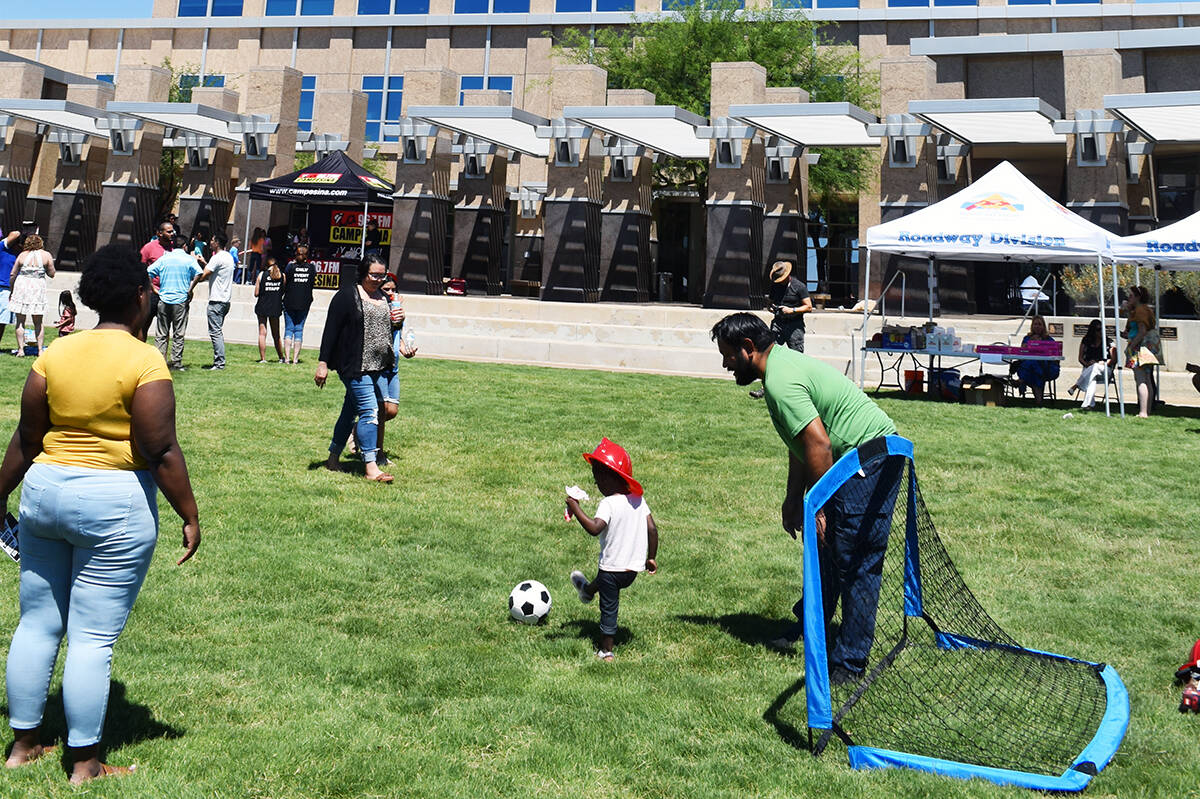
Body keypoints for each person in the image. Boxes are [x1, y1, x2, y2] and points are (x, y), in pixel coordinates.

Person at [0, 244, 200, 784]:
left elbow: (27, 437)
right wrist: (189, 512)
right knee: (92, 638)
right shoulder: (145, 360)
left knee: (38, 623)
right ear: (140, 295)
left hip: (44, 493)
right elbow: (159, 449)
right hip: (114, 503)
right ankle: (85, 764)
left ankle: (23, 747)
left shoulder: (55, 354)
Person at [711, 312, 899, 684]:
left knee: (856, 560)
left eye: (729, 354)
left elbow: (819, 444)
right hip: (853, 458)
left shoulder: (780, 381)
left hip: (871, 458)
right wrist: (794, 498)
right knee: (826, 549)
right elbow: (803, 444)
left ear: (749, 349)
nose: (725, 363)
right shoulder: (778, 369)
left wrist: (820, 507)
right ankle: (809, 626)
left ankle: (851, 662)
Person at [566, 438, 658, 663]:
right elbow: (652, 529)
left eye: (598, 480)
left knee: (608, 605)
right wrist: (652, 558)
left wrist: (575, 507)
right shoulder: (638, 500)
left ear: (610, 477)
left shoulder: (608, 504)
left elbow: (595, 529)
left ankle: (606, 651)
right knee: (606, 580)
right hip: (632, 570)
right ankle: (587, 590)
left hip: (611, 570)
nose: (597, 485)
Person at [314, 258, 402, 483]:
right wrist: (323, 363)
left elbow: (385, 328)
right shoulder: (346, 296)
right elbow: (330, 330)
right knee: (370, 411)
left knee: (348, 412)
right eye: (374, 275)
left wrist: (398, 322)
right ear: (363, 272)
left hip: (377, 366)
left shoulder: (384, 297)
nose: (378, 280)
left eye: (382, 276)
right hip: (354, 365)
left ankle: (333, 459)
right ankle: (371, 467)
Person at [749, 261, 812, 399]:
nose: (780, 282)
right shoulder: (775, 286)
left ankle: (798, 390)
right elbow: (770, 302)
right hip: (778, 324)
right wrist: (772, 307)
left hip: (794, 326)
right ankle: (765, 388)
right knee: (769, 355)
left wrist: (792, 310)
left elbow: (808, 306)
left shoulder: (799, 287)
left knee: (796, 358)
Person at [376, 271, 417, 465]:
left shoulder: (398, 309)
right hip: (379, 366)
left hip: (393, 367)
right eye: (386, 290)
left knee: (392, 411)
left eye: (394, 289)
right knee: (381, 411)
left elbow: (398, 337)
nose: (391, 293)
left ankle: (360, 430)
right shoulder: (376, 308)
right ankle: (378, 454)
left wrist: (405, 349)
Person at [146, 235, 201, 370]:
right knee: (179, 333)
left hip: (164, 299)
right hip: (181, 300)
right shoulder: (188, 259)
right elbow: (199, 273)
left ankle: (159, 362)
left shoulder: (164, 259)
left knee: (161, 333)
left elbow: (148, 272)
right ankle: (176, 362)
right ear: (185, 246)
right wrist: (190, 289)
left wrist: (154, 289)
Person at [191, 232, 235, 370]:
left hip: (216, 301)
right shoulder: (228, 257)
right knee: (218, 331)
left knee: (215, 333)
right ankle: (219, 361)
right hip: (225, 301)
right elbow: (215, 272)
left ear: (217, 242)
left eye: (212, 240)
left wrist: (194, 262)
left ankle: (219, 363)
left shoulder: (217, 258)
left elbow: (203, 275)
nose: (210, 242)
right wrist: (205, 262)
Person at [9, 234, 56, 356]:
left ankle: (20, 350)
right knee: (38, 321)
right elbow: (52, 274)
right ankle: (40, 350)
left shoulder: (22, 255)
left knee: (20, 321)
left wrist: (12, 289)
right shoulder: (46, 255)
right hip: (37, 287)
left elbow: (13, 274)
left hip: (22, 286)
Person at [1123, 285, 1163, 418]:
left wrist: (1130, 347)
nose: (1129, 298)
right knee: (1146, 378)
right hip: (1146, 349)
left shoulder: (1140, 311)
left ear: (1138, 297)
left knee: (1140, 379)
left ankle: (1143, 412)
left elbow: (1141, 331)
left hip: (1138, 349)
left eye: (1131, 296)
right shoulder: (1145, 310)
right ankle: (1147, 410)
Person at [1010, 315, 1061, 406]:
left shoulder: (1049, 340)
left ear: (1043, 326)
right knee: (1034, 369)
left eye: (1039, 324)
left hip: (1048, 367)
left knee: (1033, 364)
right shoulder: (1027, 338)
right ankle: (1039, 402)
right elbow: (1022, 353)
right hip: (1033, 369)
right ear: (1032, 326)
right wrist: (1030, 344)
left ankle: (1021, 381)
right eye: (1035, 324)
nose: (1037, 326)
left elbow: (1056, 355)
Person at [1068, 319, 1115, 411]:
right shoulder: (1086, 341)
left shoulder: (1109, 342)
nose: (1101, 332)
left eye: (1102, 329)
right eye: (1098, 329)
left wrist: (1101, 363)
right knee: (1092, 376)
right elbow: (1080, 358)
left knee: (1095, 367)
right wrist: (1086, 364)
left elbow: (1114, 359)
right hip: (1089, 369)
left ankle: (1076, 385)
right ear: (1092, 331)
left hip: (1105, 370)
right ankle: (1088, 404)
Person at [140, 221, 175, 338]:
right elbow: (140, 268)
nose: (172, 233)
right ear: (159, 233)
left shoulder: (174, 249)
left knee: (164, 330)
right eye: (169, 231)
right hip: (151, 294)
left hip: (167, 293)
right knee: (143, 326)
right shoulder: (149, 248)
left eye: (172, 231)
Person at [282, 244, 315, 364]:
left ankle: (286, 358)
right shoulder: (311, 268)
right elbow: (312, 283)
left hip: (289, 300)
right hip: (304, 301)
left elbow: (285, 281)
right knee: (299, 329)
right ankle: (295, 359)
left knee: (289, 329)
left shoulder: (290, 267)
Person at [254, 255, 286, 364]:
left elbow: (256, 293)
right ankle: (281, 357)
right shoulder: (282, 275)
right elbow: (283, 291)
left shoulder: (261, 275)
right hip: (275, 307)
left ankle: (263, 358)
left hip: (262, 306)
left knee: (262, 333)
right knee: (276, 334)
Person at [0, 229, 21, 351]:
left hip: (8, 290)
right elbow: (16, 233)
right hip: (2, 288)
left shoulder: (20, 255)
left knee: (2, 321)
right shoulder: (2, 247)